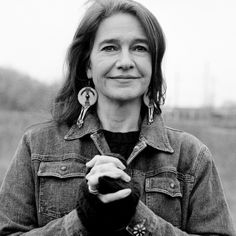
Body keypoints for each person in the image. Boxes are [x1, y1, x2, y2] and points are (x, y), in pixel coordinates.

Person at [0, 0, 235, 235]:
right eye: (110, 48)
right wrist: (83, 220)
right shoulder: (36, 145)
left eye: (139, 48)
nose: (125, 62)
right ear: (87, 65)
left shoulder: (192, 156)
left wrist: (136, 216)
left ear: (153, 65)